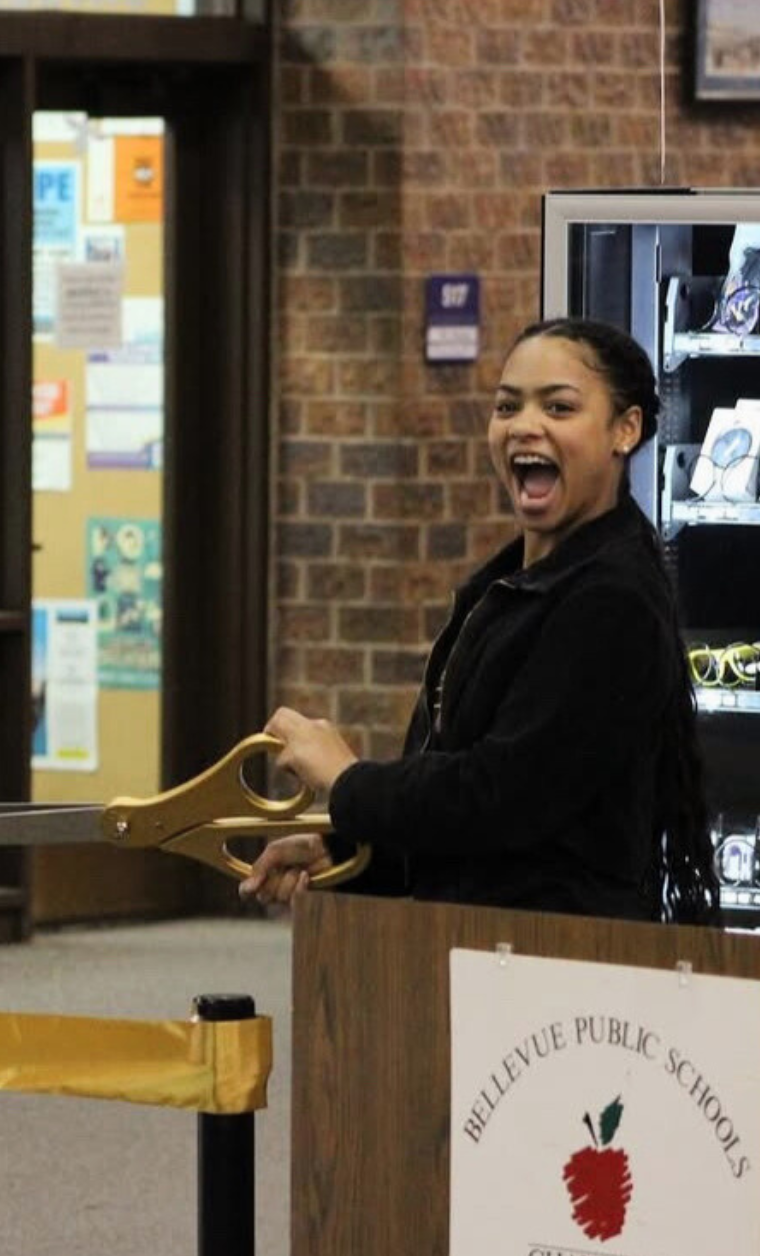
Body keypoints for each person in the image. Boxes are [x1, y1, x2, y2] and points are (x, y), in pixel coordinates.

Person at [242, 318, 718, 925]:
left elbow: (504, 796)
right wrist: (352, 853)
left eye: (560, 407)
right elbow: (465, 807)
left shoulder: (611, 599)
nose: (525, 425)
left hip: (556, 960)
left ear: (625, 430)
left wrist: (349, 781)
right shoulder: (509, 583)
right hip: (486, 945)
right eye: (507, 405)